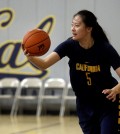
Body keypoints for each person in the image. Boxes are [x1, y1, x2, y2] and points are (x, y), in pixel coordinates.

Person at [23, 10, 120, 134]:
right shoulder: (69, 45)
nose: (73, 29)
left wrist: (116, 89)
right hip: (84, 105)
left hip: (107, 103)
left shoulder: (104, 48)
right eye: (72, 25)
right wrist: (30, 57)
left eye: (77, 25)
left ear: (89, 28)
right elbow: (45, 64)